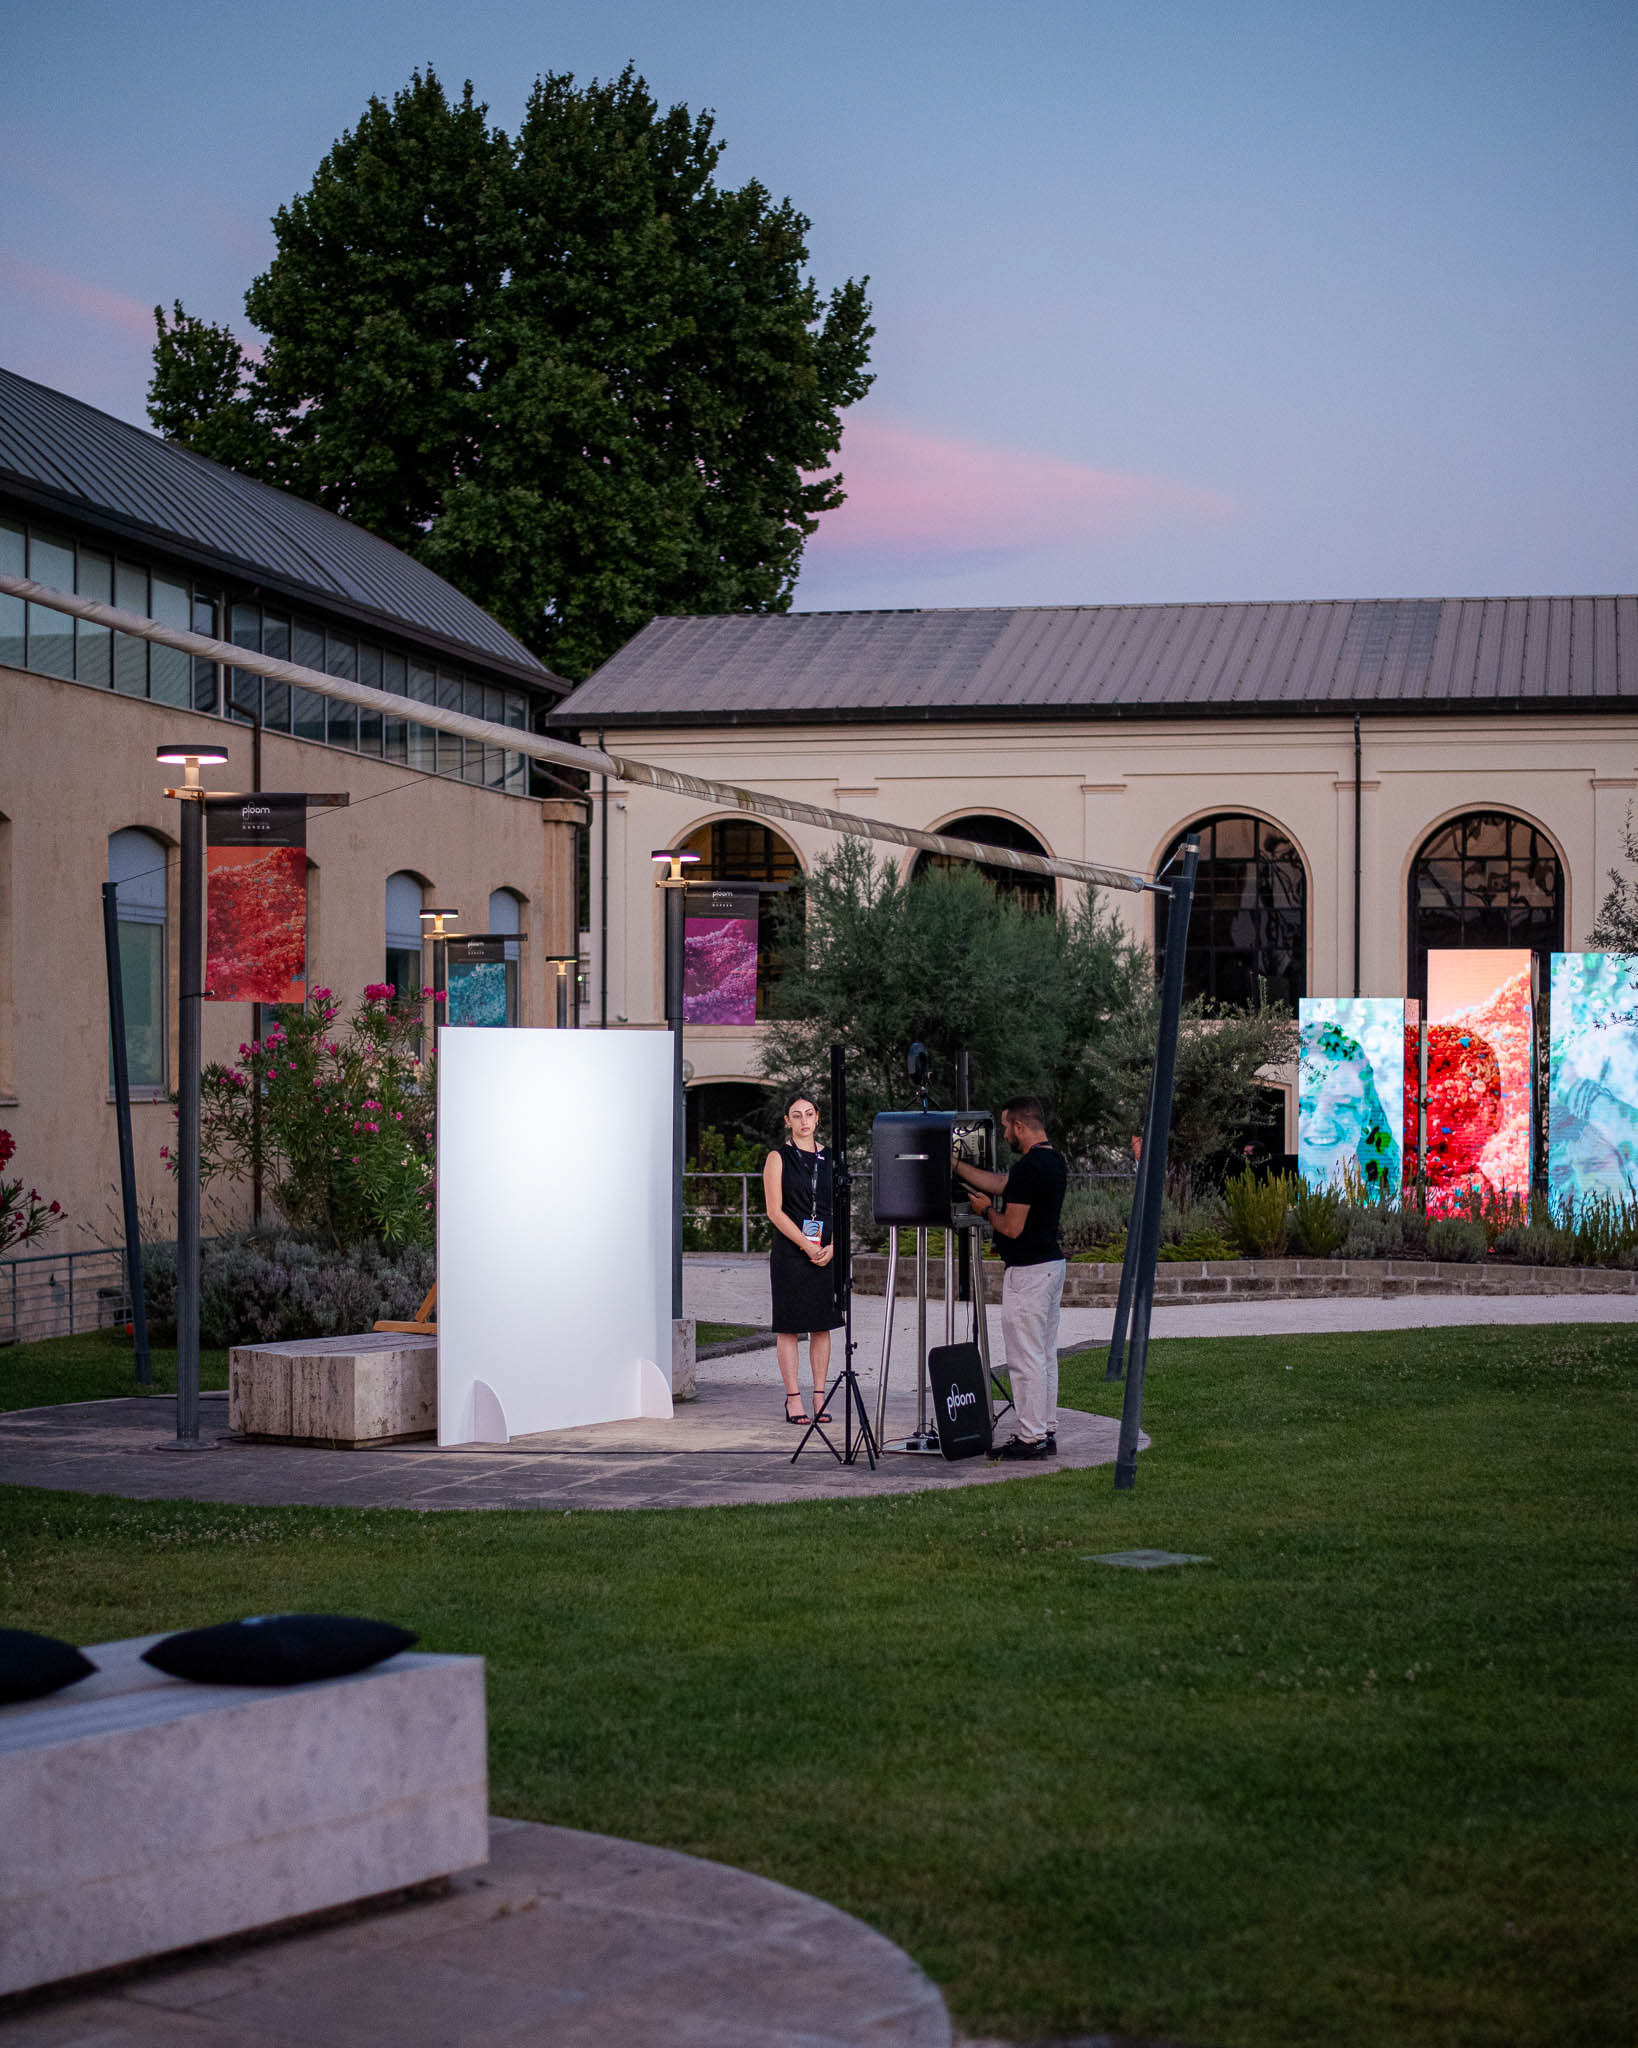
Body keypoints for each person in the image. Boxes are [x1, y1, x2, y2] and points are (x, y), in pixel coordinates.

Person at [953, 1095, 1068, 1460]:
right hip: (1051, 1266)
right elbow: (1002, 1183)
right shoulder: (1053, 1160)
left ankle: (1030, 1438)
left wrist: (986, 1211)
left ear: (1020, 1126)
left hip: (1028, 1274)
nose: (1004, 1134)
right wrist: (955, 1164)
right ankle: (1045, 1430)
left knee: (1025, 1359)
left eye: (1006, 1127)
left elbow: (1012, 1227)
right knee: (1044, 1355)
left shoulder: (1029, 1167)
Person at [763, 1092, 842, 1424]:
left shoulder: (832, 1158)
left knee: (822, 1326)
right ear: (787, 1121)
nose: (804, 1120)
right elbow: (775, 1211)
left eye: (809, 1114)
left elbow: (841, 1207)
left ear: (818, 1117)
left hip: (825, 1251)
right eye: (797, 1115)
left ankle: (819, 1397)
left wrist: (834, 1246)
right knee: (790, 1327)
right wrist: (806, 1246)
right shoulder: (778, 1158)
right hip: (792, 1253)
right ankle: (793, 1398)